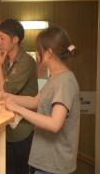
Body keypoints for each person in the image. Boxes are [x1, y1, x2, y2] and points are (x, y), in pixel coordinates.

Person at [5, 26, 80, 174]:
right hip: (45, 160)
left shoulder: (65, 81)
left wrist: (17, 109)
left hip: (54, 164)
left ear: (49, 53)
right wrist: (7, 97)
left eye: (38, 50)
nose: (37, 54)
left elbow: (54, 124)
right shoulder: (55, 77)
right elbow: (35, 101)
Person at [0, 18, 38, 174]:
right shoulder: (4, 59)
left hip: (22, 129)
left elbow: (4, 91)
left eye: (2, 38)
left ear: (15, 39)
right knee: (7, 169)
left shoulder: (26, 62)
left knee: (22, 170)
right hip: (7, 127)